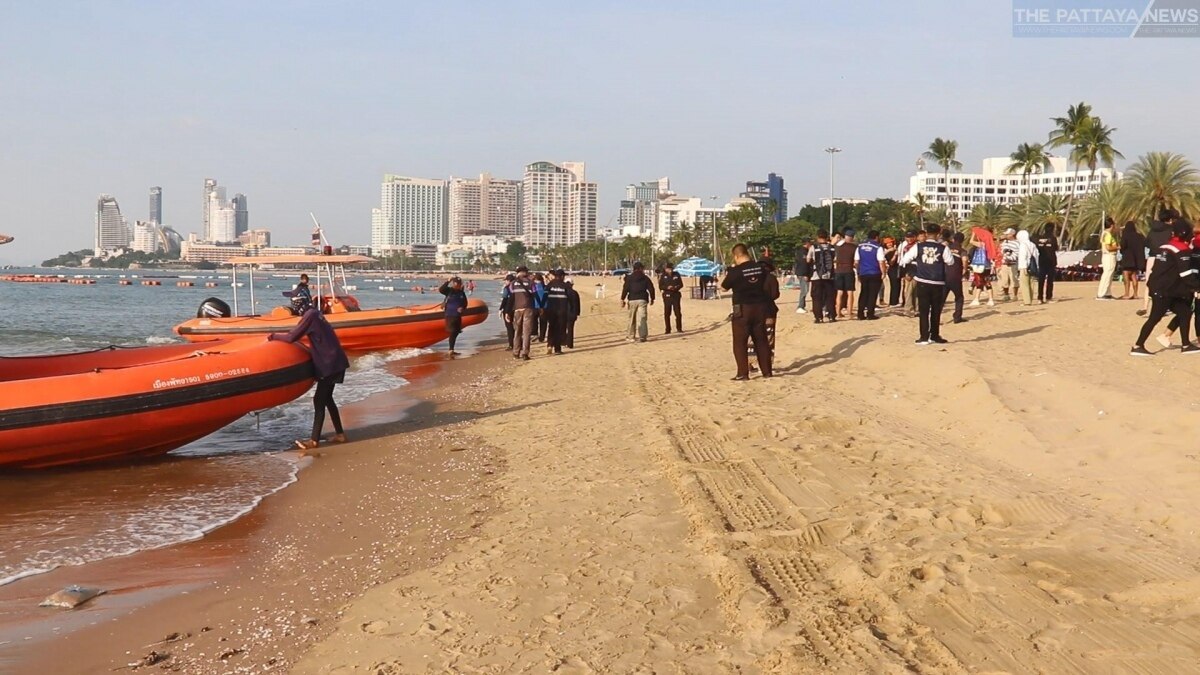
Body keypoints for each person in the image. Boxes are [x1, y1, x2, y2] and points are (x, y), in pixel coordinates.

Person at [269, 295, 349, 450]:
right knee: (327, 399)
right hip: (337, 361)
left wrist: (274, 336)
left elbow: (292, 336)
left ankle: (313, 441)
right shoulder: (315, 313)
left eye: (293, 303)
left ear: (299, 305)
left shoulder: (309, 316)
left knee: (319, 401)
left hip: (330, 364)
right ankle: (340, 435)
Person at [1131, 220, 1200, 356]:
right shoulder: (1181, 250)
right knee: (1154, 318)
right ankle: (1137, 345)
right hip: (1164, 291)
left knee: (1185, 312)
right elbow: (1185, 274)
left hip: (1162, 288)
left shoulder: (1165, 247)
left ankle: (1186, 345)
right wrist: (1197, 287)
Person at [721, 243, 773, 380]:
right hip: (760, 307)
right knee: (761, 340)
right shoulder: (761, 268)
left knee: (740, 342)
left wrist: (731, 272)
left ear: (737, 256)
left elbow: (723, 288)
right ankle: (767, 371)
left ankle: (743, 373)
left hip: (742, 309)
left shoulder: (735, 271)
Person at [900, 223, 953, 345]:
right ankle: (935, 335)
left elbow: (904, 260)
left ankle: (924, 336)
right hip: (938, 282)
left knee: (923, 310)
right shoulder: (943, 248)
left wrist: (914, 270)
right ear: (938, 234)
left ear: (926, 233)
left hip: (923, 281)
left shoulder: (918, 247)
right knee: (936, 310)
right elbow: (950, 262)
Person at [1141, 209, 1177, 316]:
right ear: (1170, 219)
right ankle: (1165, 307)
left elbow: (1146, 243)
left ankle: (1145, 306)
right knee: (1166, 282)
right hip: (1165, 257)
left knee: (1149, 282)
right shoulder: (1171, 230)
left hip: (1152, 257)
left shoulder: (1152, 230)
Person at [854, 230, 885, 320]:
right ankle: (870, 314)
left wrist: (858, 272)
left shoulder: (859, 246)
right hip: (875, 273)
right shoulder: (878, 247)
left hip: (863, 272)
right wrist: (883, 272)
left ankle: (860, 314)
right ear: (876, 237)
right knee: (872, 294)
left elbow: (856, 261)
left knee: (863, 293)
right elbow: (881, 261)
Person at [621, 261, 655, 342]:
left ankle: (630, 336)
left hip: (632, 299)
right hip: (642, 299)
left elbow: (625, 289)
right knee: (642, 318)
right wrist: (652, 298)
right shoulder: (645, 278)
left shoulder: (629, 278)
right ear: (640, 269)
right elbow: (651, 288)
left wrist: (622, 298)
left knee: (631, 318)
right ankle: (643, 336)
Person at [807, 231, 837, 322]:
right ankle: (831, 315)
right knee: (830, 297)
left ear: (818, 237)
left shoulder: (814, 247)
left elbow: (808, 260)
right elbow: (835, 260)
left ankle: (818, 317)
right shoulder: (832, 248)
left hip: (817, 276)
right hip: (829, 276)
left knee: (816, 297)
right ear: (827, 237)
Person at [510, 266, 538, 360]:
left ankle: (515, 352)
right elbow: (535, 295)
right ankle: (525, 353)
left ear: (518, 273)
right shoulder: (531, 283)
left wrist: (507, 311)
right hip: (528, 308)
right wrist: (539, 307)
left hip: (517, 309)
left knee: (517, 332)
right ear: (526, 272)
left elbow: (511, 296)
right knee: (526, 332)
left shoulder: (513, 283)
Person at [438, 276, 468, 354]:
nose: (459, 285)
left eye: (460, 283)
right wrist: (448, 281)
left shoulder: (461, 292)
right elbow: (441, 289)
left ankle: (451, 349)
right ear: (454, 283)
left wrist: (462, 308)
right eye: (458, 283)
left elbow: (465, 303)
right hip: (449, 314)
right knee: (452, 331)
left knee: (456, 332)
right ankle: (451, 350)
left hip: (457, 315)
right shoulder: (449, 291)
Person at [543, 269, 570, 355]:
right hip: (562, 312)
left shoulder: (550, 285)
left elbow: (544, 297)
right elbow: (570, 299)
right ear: (562, 276)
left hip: (551, 310)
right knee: (559, 330)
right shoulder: (565, 286)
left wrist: (542, 307)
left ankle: (549, 345)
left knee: (551, 328)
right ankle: (557, 349)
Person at [968, 228, 997, 307]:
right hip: (987, 266)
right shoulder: (990, 244)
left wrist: (974, 233)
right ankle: (989, 299)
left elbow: (971, 241)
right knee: (987, 282)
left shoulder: (982, 244)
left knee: (979, 282)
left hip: (980, 265)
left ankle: (977, 299)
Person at [1119, 221, 1146, 301]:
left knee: (1126, 276)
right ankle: (1135, 294)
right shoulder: (1140, 236)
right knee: (1134, 276)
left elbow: (1122, 246)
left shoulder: (1125, 236)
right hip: (1136, 259)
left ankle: (1127, 294)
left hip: (1127, 258)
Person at [944, 231, 968, 323]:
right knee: (959, 297)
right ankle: (957, 317)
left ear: (953, 239)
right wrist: (965, 270)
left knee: (941, 299)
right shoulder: (962, 250)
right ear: (962, 240)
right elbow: (965, 260)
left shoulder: (946, 248)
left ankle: (935, 318)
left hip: (945, 276)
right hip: (955, 277)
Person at [833, 229, 857, 318]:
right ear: (852, 237)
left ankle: (838, 312)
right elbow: (856, 261)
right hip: (849, 270)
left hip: (838, 270)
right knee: (850, 292)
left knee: (839, 292)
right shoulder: (854, 247)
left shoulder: (838, 247)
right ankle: (849, 312)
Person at [897, 230, 919, 314]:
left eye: (911, 237)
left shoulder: (916, 246)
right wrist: (904, 273)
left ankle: (915, 308)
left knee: (915, 291)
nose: (909, 239)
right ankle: (909, 308)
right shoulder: (905, 246)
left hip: (915, 269)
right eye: (907, 237)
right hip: (908, 269)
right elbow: (903, 260)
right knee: (909, 290)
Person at [1035, 224, 1059, 303]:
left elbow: (1037, 248)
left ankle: (1040, 298)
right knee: (1049, 281)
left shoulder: (1039, 238)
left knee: (1041, 280)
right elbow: (1056, 248)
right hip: (1051, 261)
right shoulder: (1053, 238)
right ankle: (1048, 297)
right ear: (1052, 229)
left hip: (1042, 261)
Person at [1015, 230, 1040, 306]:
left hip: (1025, 267)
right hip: (1033, 266)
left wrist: (1023, 267)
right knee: (1031, 284)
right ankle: (1030, 299)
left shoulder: (1023, 245)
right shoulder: (1033, 244)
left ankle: (1027, 301)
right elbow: (1036, 255)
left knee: (1024, 284)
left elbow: (1023, 257)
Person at [1097, 217, 1119, 300]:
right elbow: (1108, 247)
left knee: (1109, 274)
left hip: (1107, 256)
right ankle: (1102, 293)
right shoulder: (1108, 235)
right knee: (1107, 274)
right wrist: (1117, 247)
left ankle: (1107, 292)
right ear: (1112, 225)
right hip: (1109, 255)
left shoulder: (1104, 233)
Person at [659, 262, 684, 333]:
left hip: (676, 295)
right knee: (667, 313)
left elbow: (681, 284)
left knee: (678, 313)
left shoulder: (677, 274)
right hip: (667, 296)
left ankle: (679, 328)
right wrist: (667, 287)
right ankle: (668, 329)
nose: (669, 270)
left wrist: (675, 287)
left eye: (670, 269)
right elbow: (660, 286)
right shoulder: (663, 276)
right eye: (668, 269)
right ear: (665, 269)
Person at [998, 228, 1020, 301]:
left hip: (1013, 263)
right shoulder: (1004, 242)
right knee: (1005, 280)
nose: (1006, 235)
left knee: (1014, 280)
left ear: (1012, 234)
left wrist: (1011, 258)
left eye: (1008, 234)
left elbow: (1017, 253)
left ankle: (1015, 295)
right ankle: (1006, 295)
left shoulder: (1017, 243)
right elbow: (999, 247)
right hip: (1004, 263)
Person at [793, 239, 812, 314]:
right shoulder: (804, 252)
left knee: (804, 290)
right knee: (804, 290)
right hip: (803, 273)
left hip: (800, 273)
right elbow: (804, 264)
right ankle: (800, 306)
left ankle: (801, 306)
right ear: (807, 243)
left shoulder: (799, 251)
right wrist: (805, 274)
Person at [499, 273, 516, 350]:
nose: (505, 282)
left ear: (509, 281)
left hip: (507, 309)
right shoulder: (517, 287)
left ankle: (511, 345)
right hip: (516, 308)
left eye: (506, 280)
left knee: (509, 327)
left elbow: (504, 299)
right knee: (516, 327)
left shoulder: (507, 288)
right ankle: (518, 343)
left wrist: (500, 309)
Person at [883, 236, 901, 307]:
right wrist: (895, 255)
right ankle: (893, 302)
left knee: (898, 285)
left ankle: (896, 301)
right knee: (894, 286)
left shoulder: (895, 250)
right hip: (892, 269)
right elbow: (891, 262)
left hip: (897, 269)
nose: (889, 244)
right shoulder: (888, 252)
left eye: (890, 242)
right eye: (888, 243)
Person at [564, 277, 581, 349]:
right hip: (572, 314)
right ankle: (570, 344)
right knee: (570, 329)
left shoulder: (563, 292)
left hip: (564, 313)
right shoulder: (575, 293)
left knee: (563, 328)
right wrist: (577, 313)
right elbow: (578, 304)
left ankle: (563, 342)